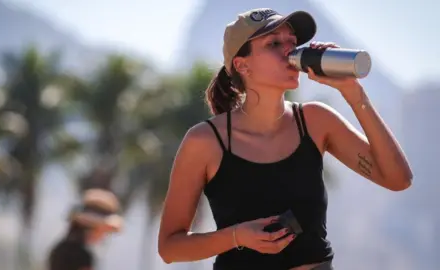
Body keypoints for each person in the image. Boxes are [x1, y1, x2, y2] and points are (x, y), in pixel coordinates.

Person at [157, 7, 412, 270]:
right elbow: (169, 247)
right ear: (242, 64)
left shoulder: (316, 121)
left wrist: (353, 92)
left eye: (292, 43)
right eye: (274, 43)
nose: (289, 52)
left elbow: (399, 179)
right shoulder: (205, 141)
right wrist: (237, 236)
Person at [48, 188, 123, 270]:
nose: (104, 236)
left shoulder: (60, 248)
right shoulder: (82, 255)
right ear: (94, 228)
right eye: (104, 231)